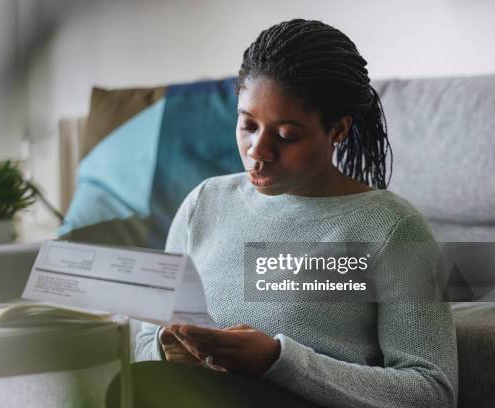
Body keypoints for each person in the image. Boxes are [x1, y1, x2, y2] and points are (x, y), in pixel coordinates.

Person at [108, 19, 458, 408]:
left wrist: (277, 361)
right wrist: (165, 347)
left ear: (338, 131)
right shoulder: (204, 202)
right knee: (130, 384)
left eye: (286, 135)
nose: (258, 151)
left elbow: (432, 391)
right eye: (248, 126)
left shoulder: (392, 228)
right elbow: (144, 338)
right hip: (190, 393)